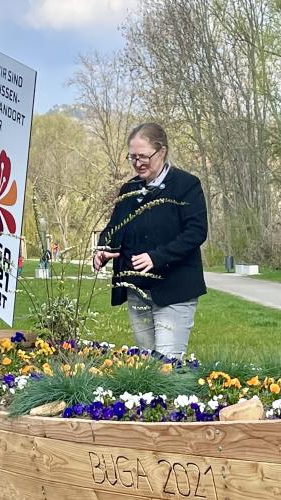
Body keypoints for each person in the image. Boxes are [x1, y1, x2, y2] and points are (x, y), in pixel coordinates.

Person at [93, 123, 208, 360]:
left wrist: (156, 257)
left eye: (143, 156)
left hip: (174, 290)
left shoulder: (186, 185)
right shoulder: (129, 189)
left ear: (162, 151)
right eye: (133, 157)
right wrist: (104, 249)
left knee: (167, 365)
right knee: (147, 364)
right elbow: (114, 228)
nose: (138, 163)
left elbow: (196, 232)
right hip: (138, 291)